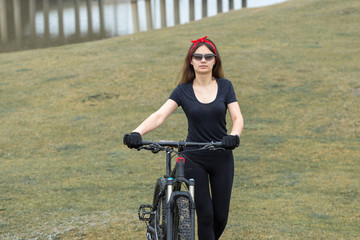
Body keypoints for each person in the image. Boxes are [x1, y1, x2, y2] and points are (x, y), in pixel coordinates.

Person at [124, 36, 244, 240]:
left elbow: (237, 117)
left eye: (208, 56)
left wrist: (233, 135)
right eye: (198, 56)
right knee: (205, 214)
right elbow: (160, 115)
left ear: (215, 60)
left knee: (221, 216)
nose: (203, 60)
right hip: (193, 156)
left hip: (222, 155)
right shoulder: (183, 90)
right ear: (191, 60)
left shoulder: (225, 86)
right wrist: (137, 132)